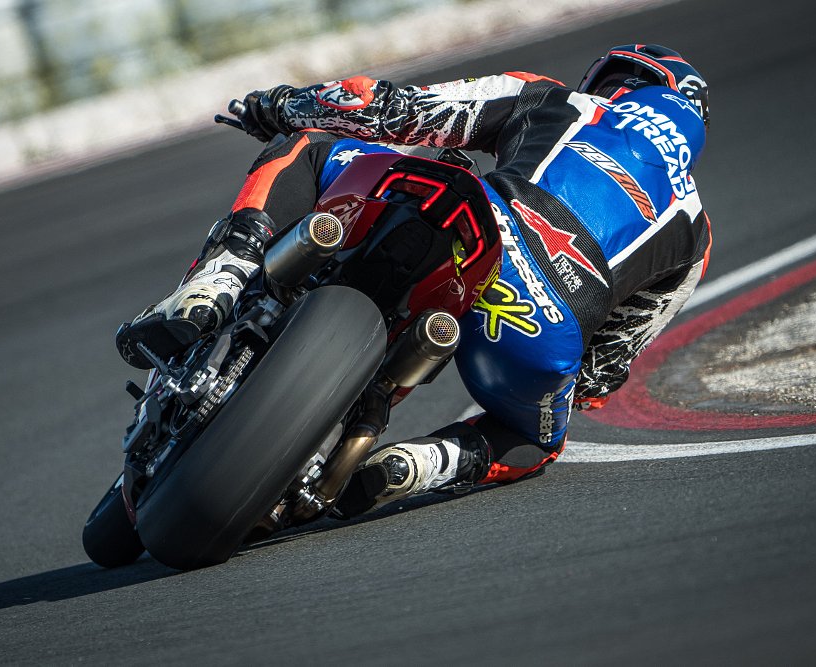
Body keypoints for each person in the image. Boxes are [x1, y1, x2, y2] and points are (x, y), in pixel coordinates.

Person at [116, 44, 712, 517]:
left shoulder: (554, 99)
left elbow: (389, 109)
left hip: (483, 221)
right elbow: (604, 369)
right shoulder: (696, 235)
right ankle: (428, 464)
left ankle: (226, 273)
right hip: (544, 322)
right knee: (538, 441)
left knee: (307, 147)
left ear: (619, 81)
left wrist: (278, 105)